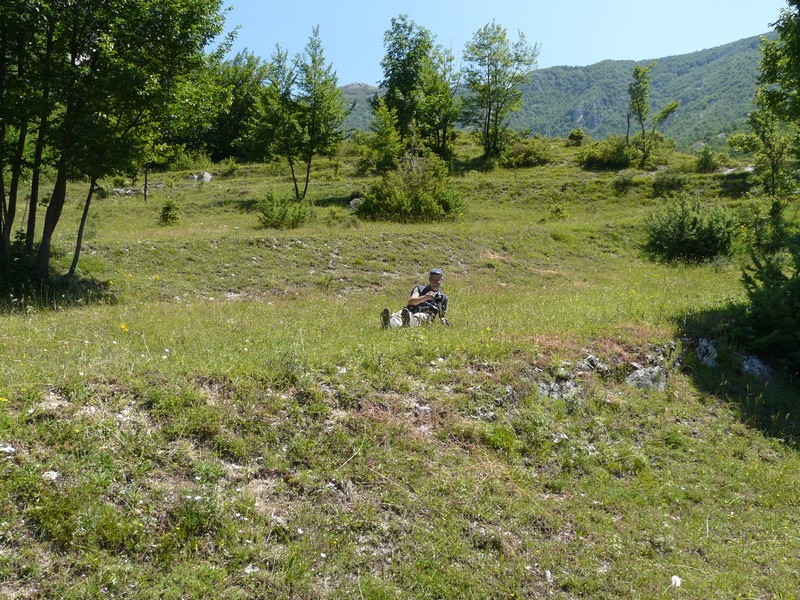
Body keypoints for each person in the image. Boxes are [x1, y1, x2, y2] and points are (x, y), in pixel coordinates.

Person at [381, 268, 450, 328]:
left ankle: (407, 324)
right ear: (429, 279)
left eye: (439, 280)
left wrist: (444, 322)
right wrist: (425, 297)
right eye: (434, 280)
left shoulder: (443, 297)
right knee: (399, 316)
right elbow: (411, 302)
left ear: (441, 281)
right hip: (410, 310)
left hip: (426, 314)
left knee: (418, 317)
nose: (436, 282)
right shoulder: (419, 289)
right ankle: (389, 324)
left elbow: (442, 317)